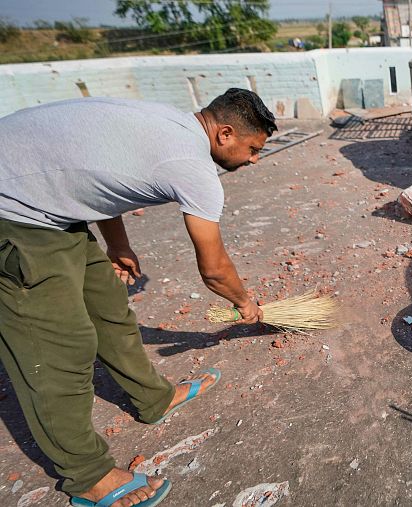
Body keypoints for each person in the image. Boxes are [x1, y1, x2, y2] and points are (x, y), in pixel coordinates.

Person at [0, 88, 276, 507]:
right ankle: (87, 475)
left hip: (50, 207)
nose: (254, 159)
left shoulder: (171, 121)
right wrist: (245, 304)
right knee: (58, 346)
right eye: (253, 149)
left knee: (108, 308)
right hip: (14, 215)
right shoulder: (192, 166)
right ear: (224, 134)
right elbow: (215, 269)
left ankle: (153, 398)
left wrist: (119, 245)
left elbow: (94, 173)